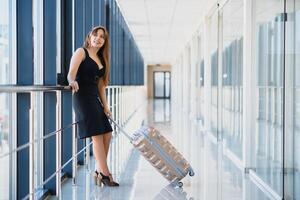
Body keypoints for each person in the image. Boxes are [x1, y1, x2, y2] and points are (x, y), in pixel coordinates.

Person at [67, 26, 119, 187]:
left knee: (108, 133)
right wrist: (71, 81)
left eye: (102, 37)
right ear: (89, 36)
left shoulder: (102, 60)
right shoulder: (81, 52)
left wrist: (106, 106)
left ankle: (99, 170)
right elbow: (71, 73)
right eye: (95, 35)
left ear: (105, 42)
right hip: (83, 99)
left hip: (95, 100)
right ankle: (105, 173)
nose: (98, 38)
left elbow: (101, 86)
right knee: (97, 136)